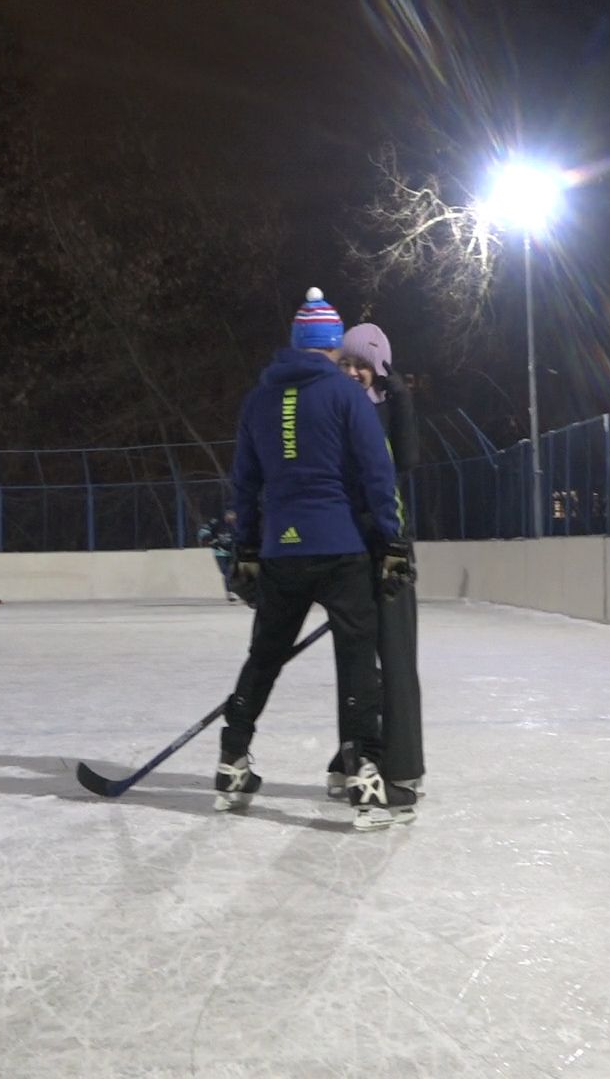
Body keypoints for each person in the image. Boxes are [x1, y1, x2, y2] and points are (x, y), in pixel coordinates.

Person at [217, 287, 416, 830]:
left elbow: (246, 483)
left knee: (264, 658)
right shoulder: (345, 396)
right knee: (356, 663)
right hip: (341, 550)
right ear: (332, 347)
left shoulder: (259, 399)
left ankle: (232, 760)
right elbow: (379, 473)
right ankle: (365, 777)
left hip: (282, 549)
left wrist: (249, 548)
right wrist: (394, 542)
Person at [327, 321, 425, 799]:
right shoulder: (332, 412)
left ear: (379, 369)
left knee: (397, 659)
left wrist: (400, 400)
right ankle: (353, 758)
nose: (350, 372)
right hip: (348, 549)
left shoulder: (388, 410)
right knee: (355, 662)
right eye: (344, 363)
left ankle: (403, 764)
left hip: (389, 548)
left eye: (361, 365)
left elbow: (406, 460)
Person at [196, 509, 239, 601]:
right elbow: (203, 531)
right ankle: (230, 591)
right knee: (225, 571)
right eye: (230, 515)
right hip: (220, 552)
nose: (232, 518)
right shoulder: (217, 522)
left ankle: (231, 591)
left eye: (234, 516)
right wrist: (211, 540)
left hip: (232, 552)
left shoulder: (235, 525)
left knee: (231, 572)